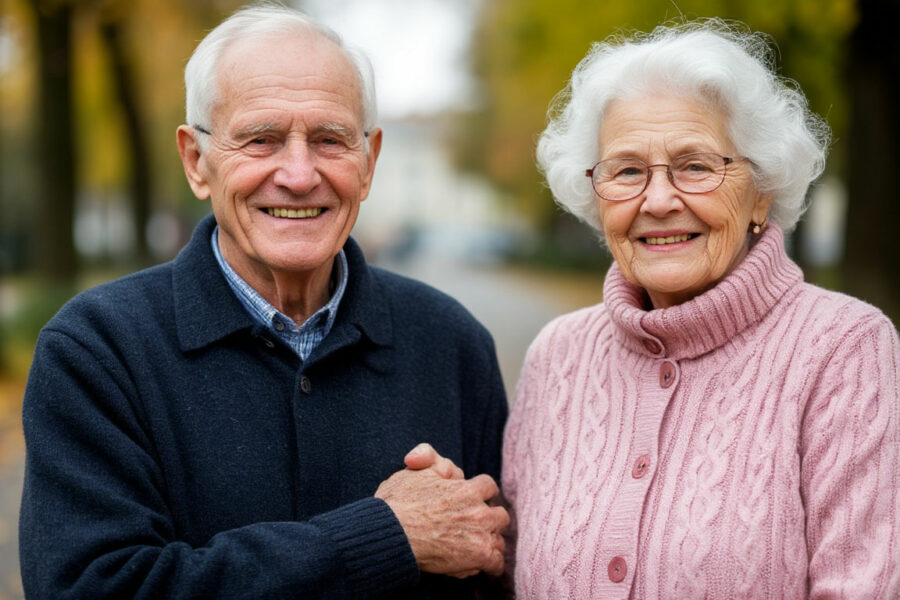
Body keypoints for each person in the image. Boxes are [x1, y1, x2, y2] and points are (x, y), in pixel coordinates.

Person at [19, 4, 509, 598]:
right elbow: (91, 588)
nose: (300, 175)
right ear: (197, 162)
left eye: (330, 140)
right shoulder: (97, 350)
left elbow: (494, 571)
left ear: (370, 160)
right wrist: (382, 537)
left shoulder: (450, 341)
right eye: (261, 139)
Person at [502, 19, 900, 599]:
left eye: (695, 166)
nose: (658, 201)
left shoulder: (844, 347)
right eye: (629, 170)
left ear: (760, 189)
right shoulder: (557, 355)